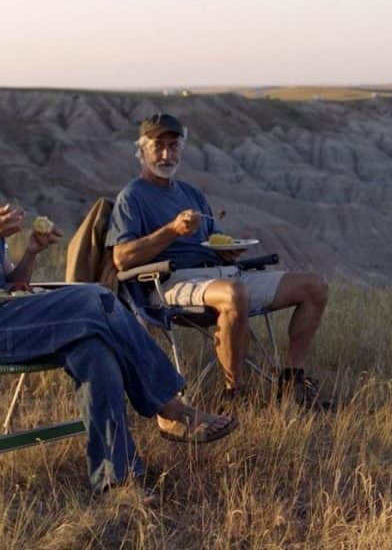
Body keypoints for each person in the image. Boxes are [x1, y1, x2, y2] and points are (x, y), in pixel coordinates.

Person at [0, 121, 236, 500]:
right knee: (94, 296)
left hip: (6, 317)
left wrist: (32, 251)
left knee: (95, 350)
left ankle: (116, 482)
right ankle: (169, 406)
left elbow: (11, 283)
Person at [107, 113, 334, 410]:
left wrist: (227, 249)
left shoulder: (191, 194)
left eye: (173, 146)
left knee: (315, 286)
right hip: (169, 283)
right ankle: (234, 394)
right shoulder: (132, 197)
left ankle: (291, 382)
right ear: (142, 150)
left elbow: (213, 239)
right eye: (158, 146)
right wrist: (171, 231)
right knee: (233, 293)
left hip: (220, 273)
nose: (166, 154)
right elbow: (122, 258)